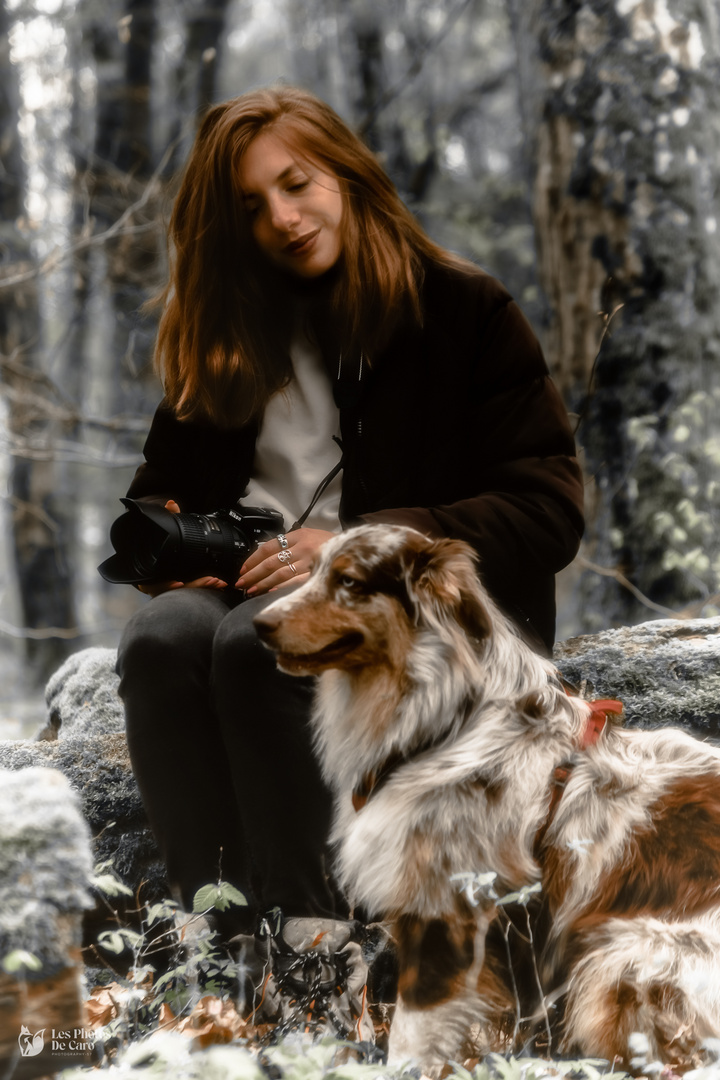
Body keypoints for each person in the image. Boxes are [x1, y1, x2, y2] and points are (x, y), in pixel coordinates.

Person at [114, 86, 584, 946]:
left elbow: (547, 511)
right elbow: (159, 496)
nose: (285, 219)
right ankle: (212, 927)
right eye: (252, 208)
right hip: (248, 586)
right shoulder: (228, 330)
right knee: (160, 639)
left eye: (298, 184)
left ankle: (318, 934)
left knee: (252, 647)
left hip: (414, 621)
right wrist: (173, 542)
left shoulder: (462, 310)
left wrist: (357, 548)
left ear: (345, 170)